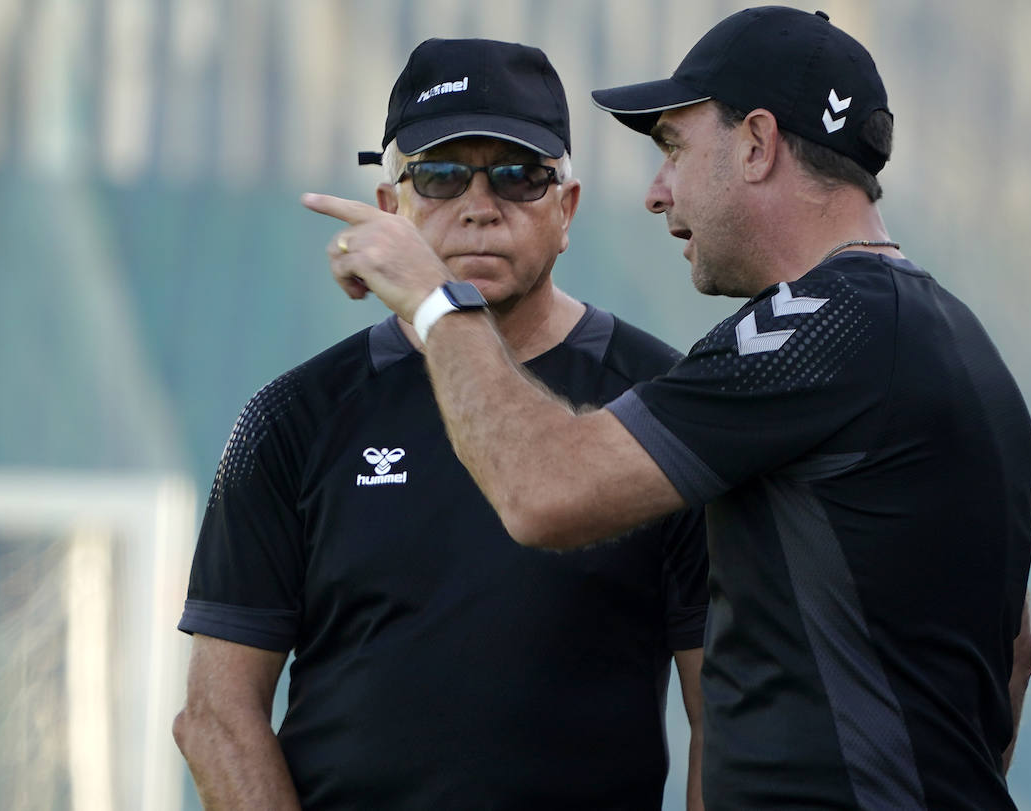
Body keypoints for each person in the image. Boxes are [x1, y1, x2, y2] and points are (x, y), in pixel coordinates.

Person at [305, 7, 1031, 810]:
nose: (658, 192)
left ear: (756, 145)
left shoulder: (813, 330)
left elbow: (542, 489)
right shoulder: (954, 337)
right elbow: (1016, 655)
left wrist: (435, 302)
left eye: (674, 147)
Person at [173, 38, 710, 811]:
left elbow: (722, 716)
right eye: (442, 174)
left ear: (567, 209)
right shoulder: (291, 418)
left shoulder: (665, 405)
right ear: (392, 207)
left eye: (521, 175)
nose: (480, 204)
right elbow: (216, 718)